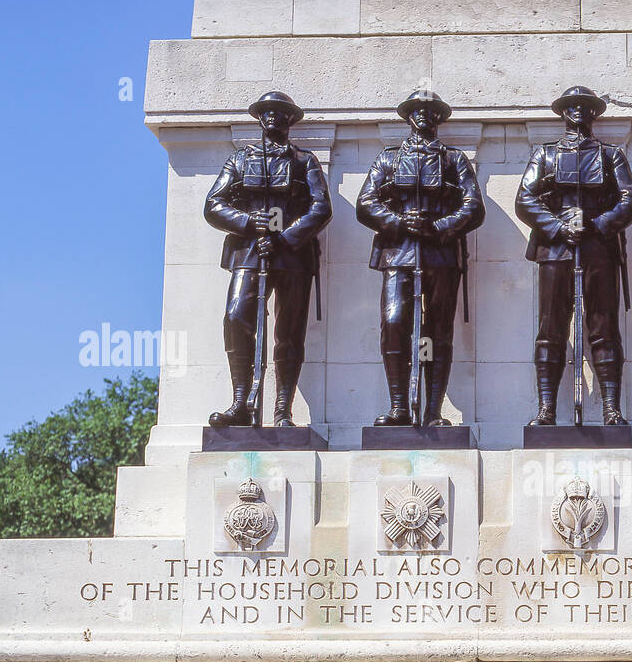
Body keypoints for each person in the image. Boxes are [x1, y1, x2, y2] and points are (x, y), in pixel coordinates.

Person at [355, 90, 485, 426]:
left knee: (434, 332)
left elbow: (473, 206)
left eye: (431, 110)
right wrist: (398, 222)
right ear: (409, 116)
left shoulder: (454, 159)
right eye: (418, 110)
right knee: (396, 323)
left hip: (440, 254)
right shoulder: (388, 159)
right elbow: (366, 203)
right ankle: (400, 405)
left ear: (439, 117)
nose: (424, 115)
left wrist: (438, 226)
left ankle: (432, 411)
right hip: (398, 254)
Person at [204, 91, 332, 428]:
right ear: (259, 119)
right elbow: (213, 205)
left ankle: (281, 411)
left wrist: (286, 237)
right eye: (266, 112)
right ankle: (241, 403)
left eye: (280, 112)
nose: (273, 117)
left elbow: (321, 207)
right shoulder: (240, 160)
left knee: (289, 333)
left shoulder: (305, 162)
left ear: (291, 119)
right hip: (249, 252)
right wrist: (248, 222)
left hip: (293, 256)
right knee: (236, 318)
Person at [515, 85, 632, 426]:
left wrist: (598, 224)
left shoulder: (611, 155)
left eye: (586, 107)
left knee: (604, 328)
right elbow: (525, 199)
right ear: (563, 113)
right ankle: (546, 409)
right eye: (572, 106)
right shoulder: (545, 155)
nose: (579, 112)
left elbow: (629, 200)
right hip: (555, 249)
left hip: (598, 247)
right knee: (551, 329)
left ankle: (612, 408)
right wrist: (557, 227)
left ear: (595, 113)